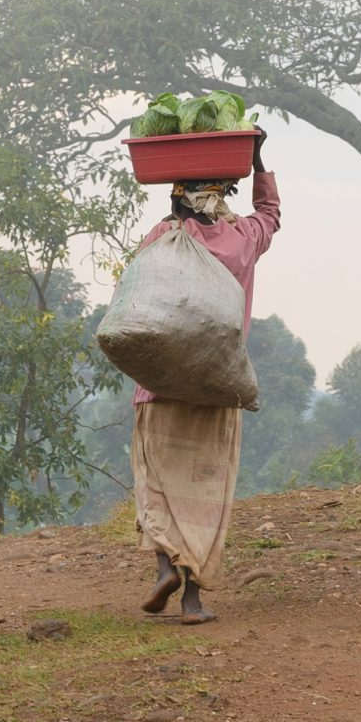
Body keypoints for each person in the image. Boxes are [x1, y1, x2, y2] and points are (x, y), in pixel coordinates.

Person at [130, 128, 280, 624]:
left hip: (161, 387)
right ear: (222, 196)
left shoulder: (163, 237)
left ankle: (161, 570)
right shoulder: (242, 240)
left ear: (178, 199)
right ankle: (192, 601)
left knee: (157, 483)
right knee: (204, 491)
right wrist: (259, 161)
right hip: (219, 387)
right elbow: (270, 215)